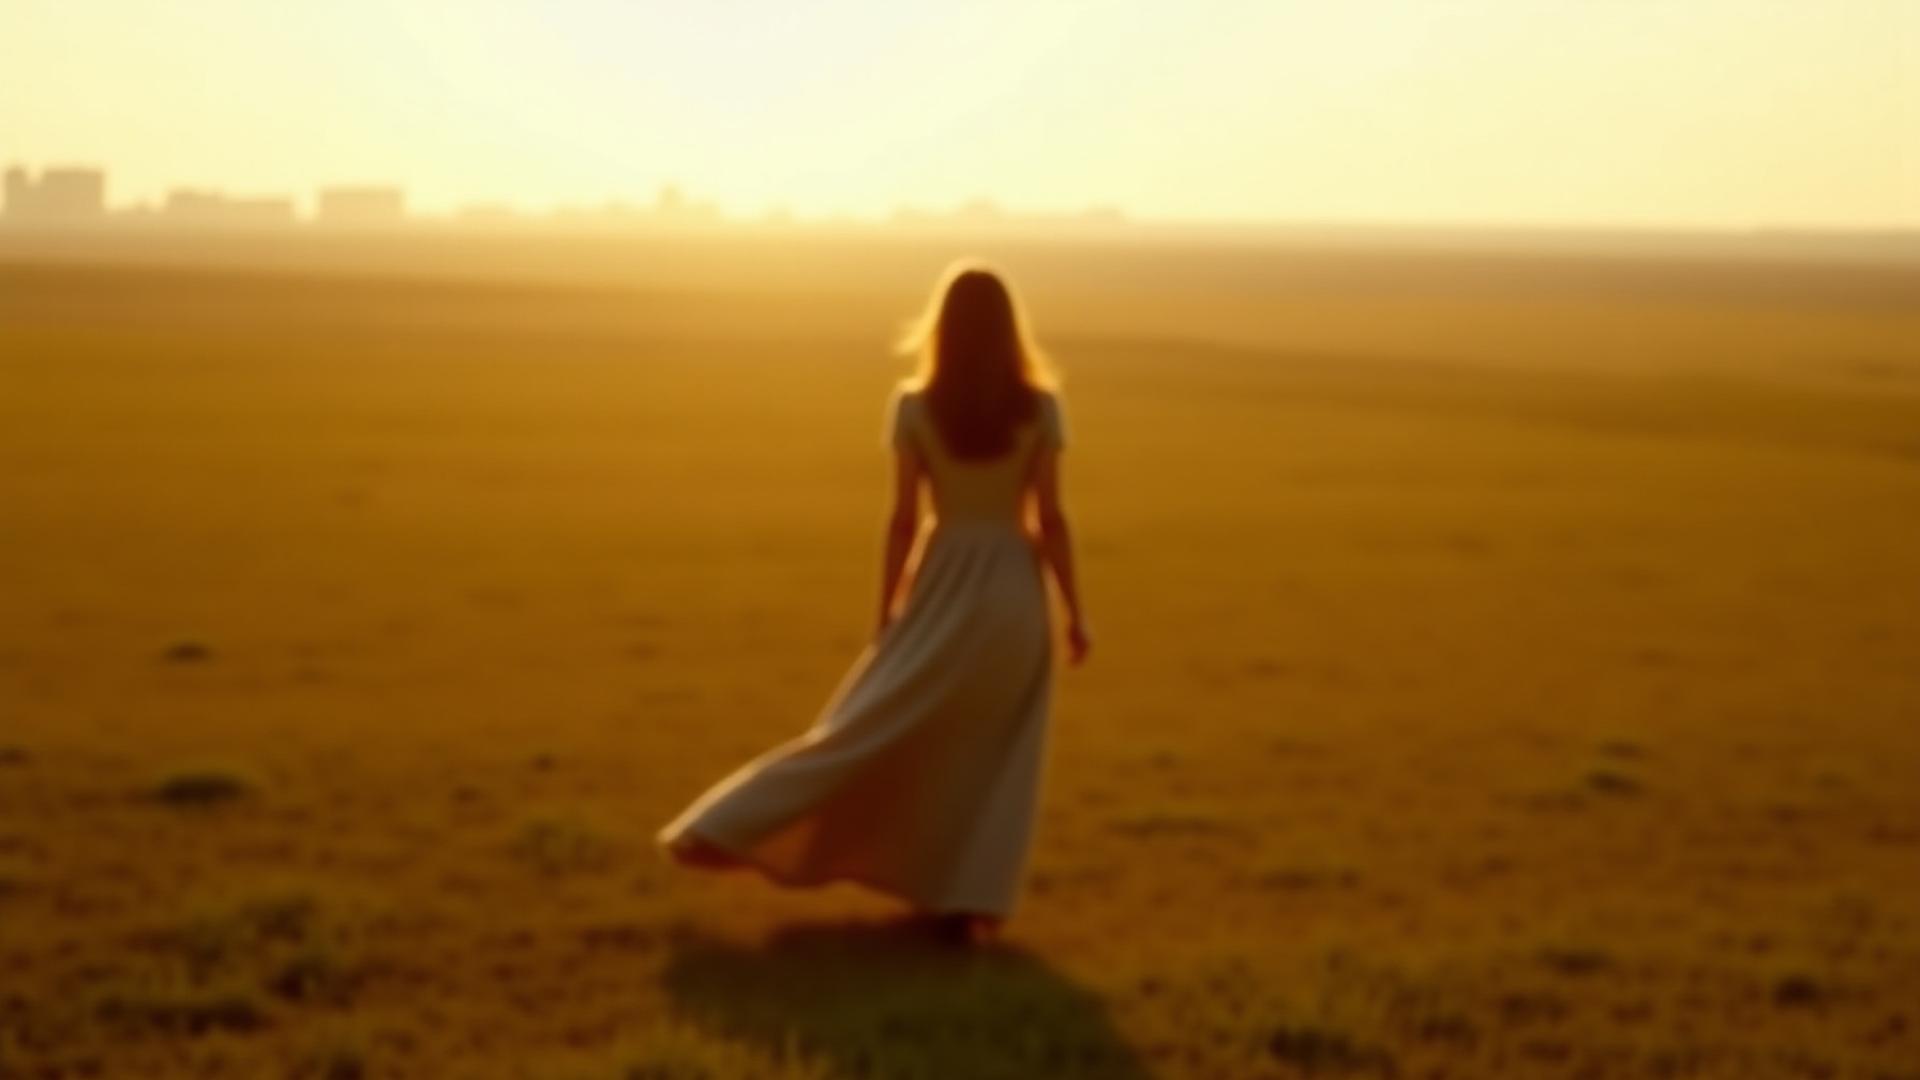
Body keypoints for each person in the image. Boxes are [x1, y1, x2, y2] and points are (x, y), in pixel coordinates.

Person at [657, 260, 1090, 946]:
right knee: (995, 754)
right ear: (1011, 330)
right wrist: (1075, 613)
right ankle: (963, 902)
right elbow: (1051, 520)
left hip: (940, 581)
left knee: (867, 726)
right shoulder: (1040, 409)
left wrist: (888, 610)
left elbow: (901, 520)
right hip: (1013, 592)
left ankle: (726, 826)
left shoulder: (914, 407)